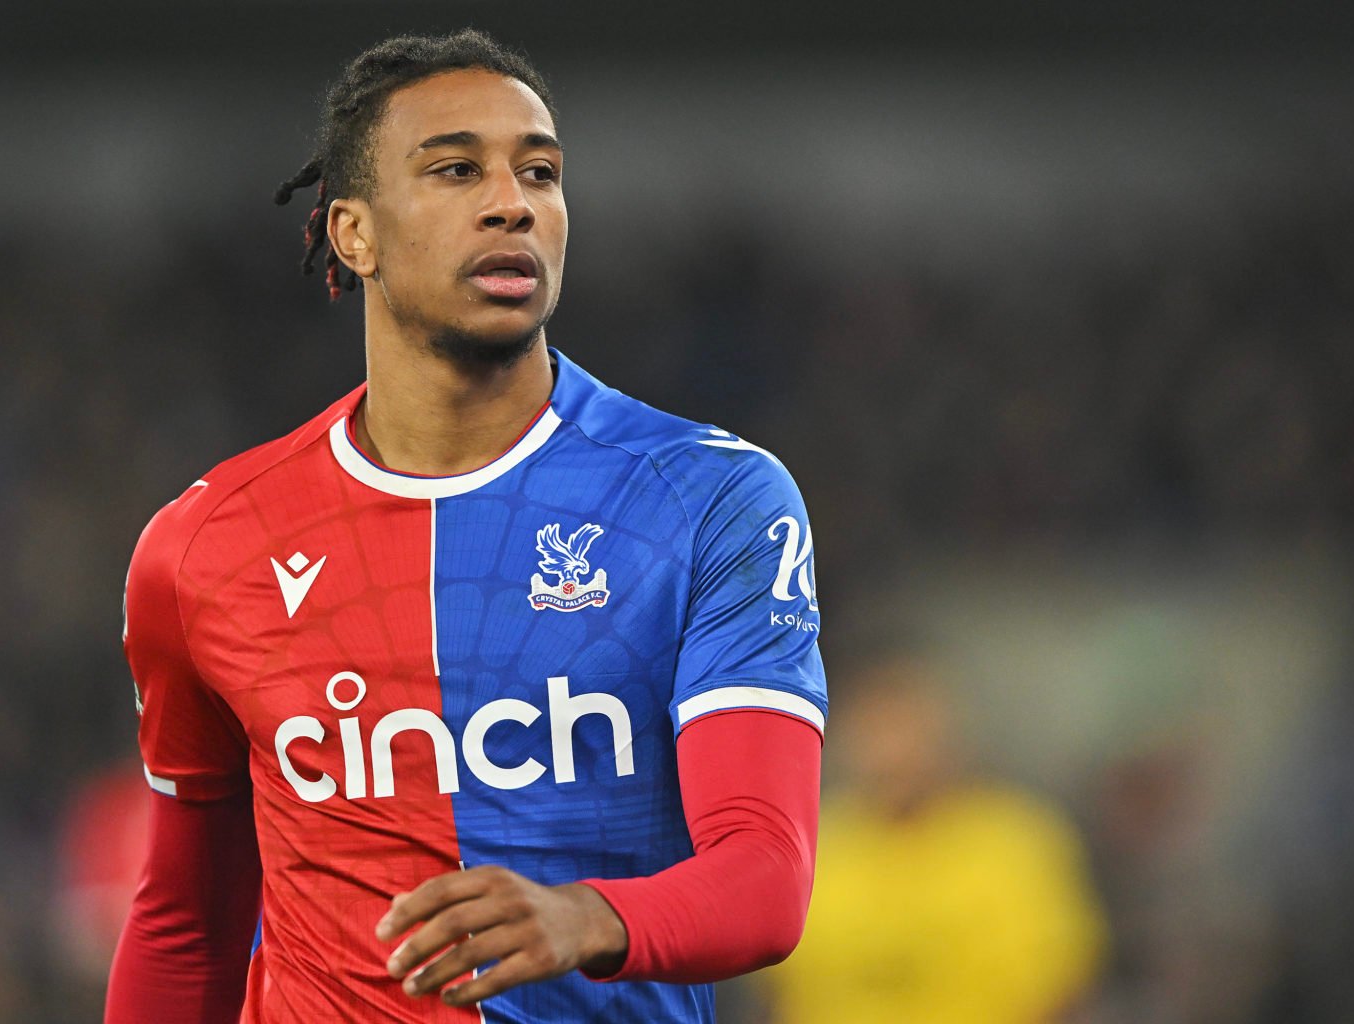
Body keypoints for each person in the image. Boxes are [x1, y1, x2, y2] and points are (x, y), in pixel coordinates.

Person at [103, 29, 826, 1024]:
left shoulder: (710, 498)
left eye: (540, 171)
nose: (512, 201)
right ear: (351, 233)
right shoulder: (204, 547)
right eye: (454, 169)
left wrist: (583, 917)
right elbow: (186, 924)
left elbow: (766, 874)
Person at [764, 654, 1103, 1024]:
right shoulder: (807, 846)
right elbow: (781, 991)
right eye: (876, 731)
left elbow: (1058, 991)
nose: (894, 754)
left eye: (909, 730)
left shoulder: (1017, 842)